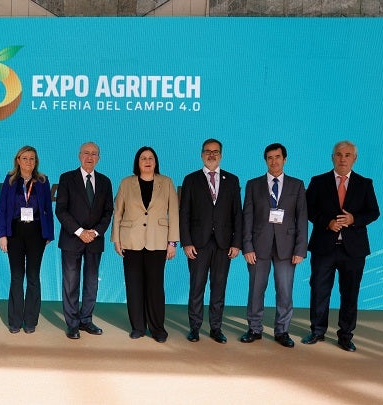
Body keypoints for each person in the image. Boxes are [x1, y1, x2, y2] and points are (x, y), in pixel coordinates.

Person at [302, 141, 380, 352]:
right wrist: (327, 222)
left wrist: (354, 219)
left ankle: (345, 335)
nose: (342, 158)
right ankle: (317, 331)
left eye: (347, 155)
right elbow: (308, 210)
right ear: (332, 157)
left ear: (354, 158)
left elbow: (373, 212)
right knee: (319, 290)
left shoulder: (365, 183)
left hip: (353, 250)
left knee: (350, 293)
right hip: (324, 247)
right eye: (338, 154)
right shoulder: (318, 182)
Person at [240, 143, 308, 348]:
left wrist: (300, 249)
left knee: (285, 290)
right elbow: (247, 217)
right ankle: (254, 328)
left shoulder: (297, 185)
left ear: (285, 159)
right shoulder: (253, 185)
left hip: (287, 248)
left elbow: (302, 218)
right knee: (256, 289)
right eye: (269, 157)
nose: (274, 161)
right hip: (258, 246)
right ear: (265, 160)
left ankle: (282, 331)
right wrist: (247, 246)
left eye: (277, 157)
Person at [111, 146, 178, 343]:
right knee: (134, 286)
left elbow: (173, 213)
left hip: (157, 242)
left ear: (155, 162)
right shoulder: (126, 183)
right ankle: (138, 327)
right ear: (137, 162)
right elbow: (118, 213)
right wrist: (117, 239)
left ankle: (158, 329)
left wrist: (172, 242)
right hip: (131, 241)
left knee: (155, 287)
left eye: (150, 158)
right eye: (143, 158)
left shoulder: (166, 183)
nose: (147, 161)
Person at [179, 138, 242, 344]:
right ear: (201, 154)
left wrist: (236, 243)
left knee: (219, 287)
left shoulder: (232, 180)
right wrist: (186, 242)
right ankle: (195, 328)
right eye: (207, 151)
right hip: (197, 244)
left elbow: (237, 215)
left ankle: (216, 328)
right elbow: (184, 213)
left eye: (215, 152)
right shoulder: (191, 179)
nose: (212, 155)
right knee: (196, 286)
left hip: (224, 245)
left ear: (221, 155)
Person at [56, 142, 114, 340]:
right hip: (72, 239)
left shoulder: (105, 181)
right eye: (86, 153)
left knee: (91, 283)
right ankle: (72, 324)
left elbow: (108, 212)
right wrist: (80, 231)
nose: (90, 157)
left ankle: (86, 320)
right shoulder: (66, 178)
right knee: (71, 282)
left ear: (99, 158)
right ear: (79, 155)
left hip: (95, 241)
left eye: (94, 154)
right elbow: (61, 210)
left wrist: (95, 232)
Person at [0, 145, 54, 334]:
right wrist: (2, 235)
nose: (29, 161)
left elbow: (48, 208)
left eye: (32, 158)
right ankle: (14, 321)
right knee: (16, 277)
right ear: (18, 160)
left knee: (33, 277)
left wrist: (48, 234)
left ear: (35, 161)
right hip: (14, 232)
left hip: (37, 233)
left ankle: (30, 321)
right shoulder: (10, 180)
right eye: (25, 158)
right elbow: (2, 209)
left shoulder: (43, 181)